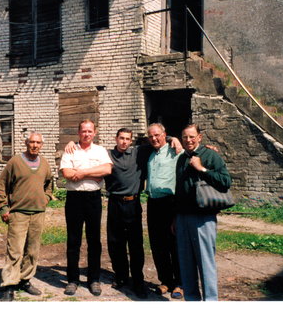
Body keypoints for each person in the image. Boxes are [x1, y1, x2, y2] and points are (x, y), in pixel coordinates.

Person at [64, 128, 183, 299]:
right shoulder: (107, 154)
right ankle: (121, 277)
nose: (124, 142)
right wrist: (72, 143)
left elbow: (159, 139)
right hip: (114, 203)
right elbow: (92, 157)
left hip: (133, 203)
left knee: (135, 245)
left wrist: (174, 138)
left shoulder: (139, 152)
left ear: (131, 140)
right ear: (116, 138)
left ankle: (138, 282)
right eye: (121, 138)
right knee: (115, 243)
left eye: (128, 139)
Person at [174, 124, 232, 301]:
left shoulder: (210, 155)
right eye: (185, 137)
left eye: (192, 137)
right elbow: (179, 190)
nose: (188, 140)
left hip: (203, 218)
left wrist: (202, 169)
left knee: (205, 264)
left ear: (199, 137)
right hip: (183, 218)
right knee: (186, 264)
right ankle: (192, 301)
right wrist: (175, 217)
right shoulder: (181, 158)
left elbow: (225, 182)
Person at [0, 132, 54, 301]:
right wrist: (3, 207)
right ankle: (9, 285)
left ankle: (25, 280)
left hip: (38, 213)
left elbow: (50, 183)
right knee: (14, 250)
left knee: (32, 250)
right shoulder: (15, 161)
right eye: (32, 142)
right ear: (26, 142)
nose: (35, 145)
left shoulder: (44, 163)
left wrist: (46, 198)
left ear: (42, 144)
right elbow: (0, 184)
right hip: (18, 213)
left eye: (38, 143)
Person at [59, 119, 113, 296]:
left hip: (93, 198)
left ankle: (93, 280)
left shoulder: (100, 150)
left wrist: (82, 172)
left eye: (90, 131)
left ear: (94, 133)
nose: (86, 134)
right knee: (73, 241)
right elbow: (66, 173)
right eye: (83, 131)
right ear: (78, 132)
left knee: (94, 240)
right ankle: (73, 280)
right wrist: (93, 174)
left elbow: (106, 170)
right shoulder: (70, 149)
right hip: (74, 199)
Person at [145, 123, 184, 299]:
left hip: (169, 203)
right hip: (153, 203)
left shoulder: (175, 151)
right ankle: (165, 281)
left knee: (174, 244)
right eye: (151, 136)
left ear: (164, 134)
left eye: (157, 135)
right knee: (157, 244)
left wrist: (173, 139)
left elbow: (191, 153)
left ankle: (180, 283)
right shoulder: (151, 153)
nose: (154, 138)